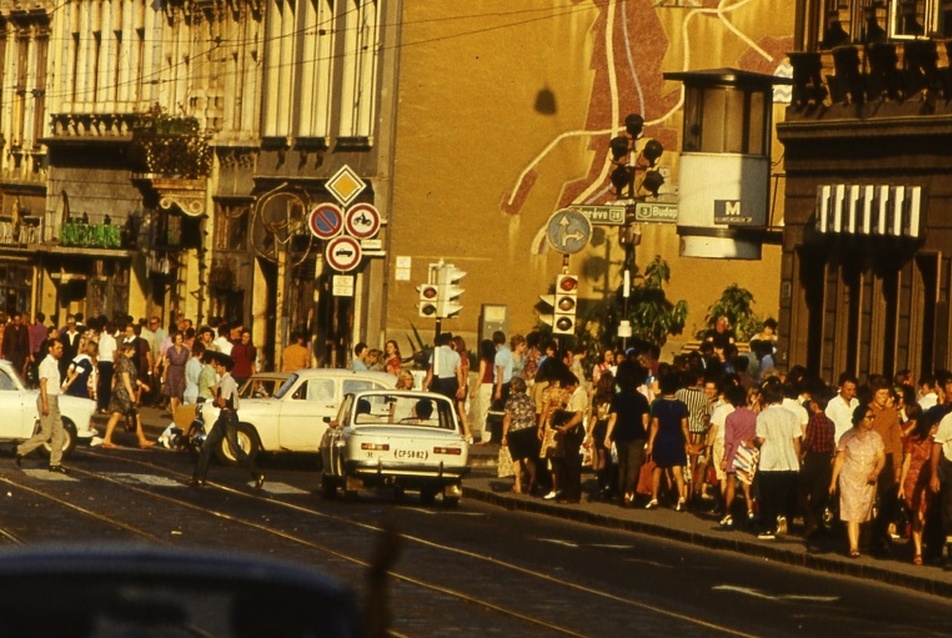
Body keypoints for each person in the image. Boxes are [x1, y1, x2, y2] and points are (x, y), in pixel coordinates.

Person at [191, 354, 265, 489]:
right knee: (206, 446)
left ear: (224, 367)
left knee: (234, 450)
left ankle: (257, 474)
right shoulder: (222, 380)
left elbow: (222, 401)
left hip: (229, 417)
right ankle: (199, 478)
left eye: (218, 365)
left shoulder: (228, 381)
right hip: (223, 416)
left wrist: (216, 401)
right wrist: (217, 401)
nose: (216, 367)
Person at [829, 404, 886, 558]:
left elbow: (881, 458)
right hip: (849, 478)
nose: (872, 420)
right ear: (860, 419)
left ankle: (862, 543)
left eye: (873, 417)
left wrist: (876, 471)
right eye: (869, 417)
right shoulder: (847, 436)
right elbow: (840, 459)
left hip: (868, 480)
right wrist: (833, 481)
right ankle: (853, 546)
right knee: (852, 511)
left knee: (863, 512)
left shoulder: (875, 437)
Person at [755, 379, 802, 540]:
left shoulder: (763, 416)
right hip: (788, 461)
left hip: (769, 461)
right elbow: (797, 440)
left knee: (768, 497)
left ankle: (768, 528)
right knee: (784, 495)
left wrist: (753, 442)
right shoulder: (792, 415)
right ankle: (782, 517)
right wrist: (797, 461)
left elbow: (760, 439)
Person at [14, 338, 68, 473]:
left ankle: (55, 462)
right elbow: (42, 384)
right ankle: (21, 449)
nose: (61, 350)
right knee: (46, 433)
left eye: (61, 348)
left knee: (59, 433)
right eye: (58, 348)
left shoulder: (55, 363)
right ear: (50, 349)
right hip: (47, 399)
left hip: (54, 399)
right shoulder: (46, 364)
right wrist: (45, 404)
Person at [603, 361, 650, 507]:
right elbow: (645, 421)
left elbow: (613, 418)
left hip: (621, 433)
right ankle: (629, 492)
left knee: (622, 464)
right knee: (634, 465)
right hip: (637, 435)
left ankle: (623, 490)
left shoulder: (617, 398)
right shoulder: (642, 399)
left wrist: (607, 436)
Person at [646, 370, 690, 512]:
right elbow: (684, 426)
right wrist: (688, 442)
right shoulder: (681, 405)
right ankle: (681, 497)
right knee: (677, 470)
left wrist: (650, 443)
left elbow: (655, 425)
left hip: (661, 438)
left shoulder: (657, 404)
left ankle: (654, 498)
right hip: (677, 438)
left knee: (657, 469)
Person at [101, 341, 154, 449]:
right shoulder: (125, 362)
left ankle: (106, 439)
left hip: (119, 390)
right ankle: (142, 440)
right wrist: (131, 394)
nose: (134, 352)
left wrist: (143, 385)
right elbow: (125, 379)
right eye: (133, 350)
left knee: (116, 414)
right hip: (123, 391)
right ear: (127, 350)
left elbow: (132, 378)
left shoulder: (126, 361)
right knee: (135, 414)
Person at [799, 389, 836, 539]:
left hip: (813, 458)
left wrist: (801, 452)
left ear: (815, 405)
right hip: (825, 459)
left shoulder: (814, 420)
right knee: (819, 492)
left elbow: (810, 440)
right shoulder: (830, 423)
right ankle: (817, 521)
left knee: (802, 491)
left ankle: (810, 520)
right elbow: (832, 441)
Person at [721, 384, 757, 527]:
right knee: (746, 484)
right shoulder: (753, 416)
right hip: (748, 450)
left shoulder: (731, 417)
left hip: (734, 451)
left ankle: (728, 513)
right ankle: (750, 511)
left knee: (731, 484)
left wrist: (725, 458)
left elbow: (728, 441)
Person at [501, 376, 538, 494]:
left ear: (514, 388)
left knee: (516, 458)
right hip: (530, 429)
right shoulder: (530, 400)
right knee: (528, 458)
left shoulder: (511, 400)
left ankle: (517, 485)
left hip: (516, 431)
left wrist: (504, 435)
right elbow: (533, 415)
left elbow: (507, 418)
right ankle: (533, 478)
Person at [588, 371, 616, 502]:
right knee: (611, 458)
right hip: (610, 427)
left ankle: (600, 484)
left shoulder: (596, 398)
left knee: (601, 458)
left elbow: (594, 416)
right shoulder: (614, 398)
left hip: (599, 427)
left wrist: (589, 432)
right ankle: (609, 485)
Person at [469, 339, 495, 444]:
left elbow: (481, 376)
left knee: (483, 412)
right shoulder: (495, 360)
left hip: (485, 386)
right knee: (491, 412)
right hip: (493, 385)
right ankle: (491, 435)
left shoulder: (484, 360)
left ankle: (485, 437)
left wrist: (473, 390)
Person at [160, 331, 189, 415]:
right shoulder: (170, 349)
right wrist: (164, 372)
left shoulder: (186, 350)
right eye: (178, 339)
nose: (180, 340)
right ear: (174, 340)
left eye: (181, 339)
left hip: (182, 371)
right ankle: (174, 411)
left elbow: (187, 361)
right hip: (172, 371)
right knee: (173, 392)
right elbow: (167, 361)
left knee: (180, 392)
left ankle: (177, 409)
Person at [450, 335, 473, 442]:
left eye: (453, 345)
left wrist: (462, 387)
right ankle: (459, 430)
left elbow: (465, 373)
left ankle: (467, 433)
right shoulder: (456, 355)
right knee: (455, 408)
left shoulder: (461, 357)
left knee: (460, 408)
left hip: (461, 385)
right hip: (455, 384)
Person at [97, 320, 117, 413]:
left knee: (102, 384)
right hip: (109, 362)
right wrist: (116, 362)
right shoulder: (113, 340)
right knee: (107, 385)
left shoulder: (102, 339)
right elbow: (114, 353)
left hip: (101, 361)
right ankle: (105, 406)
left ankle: (100, 404)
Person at [2, 311, 30, 379]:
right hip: (10, 354)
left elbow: (26, 342)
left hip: (20, 354)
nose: (17, 322)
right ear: (13, 320)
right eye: (15, 320)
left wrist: (27, 355)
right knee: (11, 370)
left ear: (20, 320)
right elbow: (5, 341)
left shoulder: (24, 329)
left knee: (19, 371)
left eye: (18, 320)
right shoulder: (9, 329)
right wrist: (3, 353)